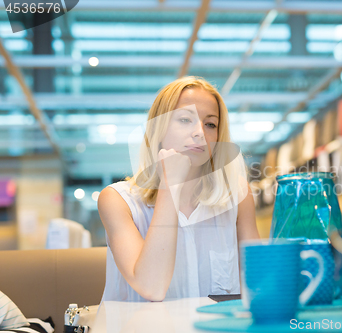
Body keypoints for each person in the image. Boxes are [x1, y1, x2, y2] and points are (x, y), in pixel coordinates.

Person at [98, 76, 260, 302]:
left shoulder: (237, 195)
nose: (199, 133)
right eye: (185, 119)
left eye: (210, 124)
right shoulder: (117, 200)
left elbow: (259, 285)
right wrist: (169, 186)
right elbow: (151, 287)